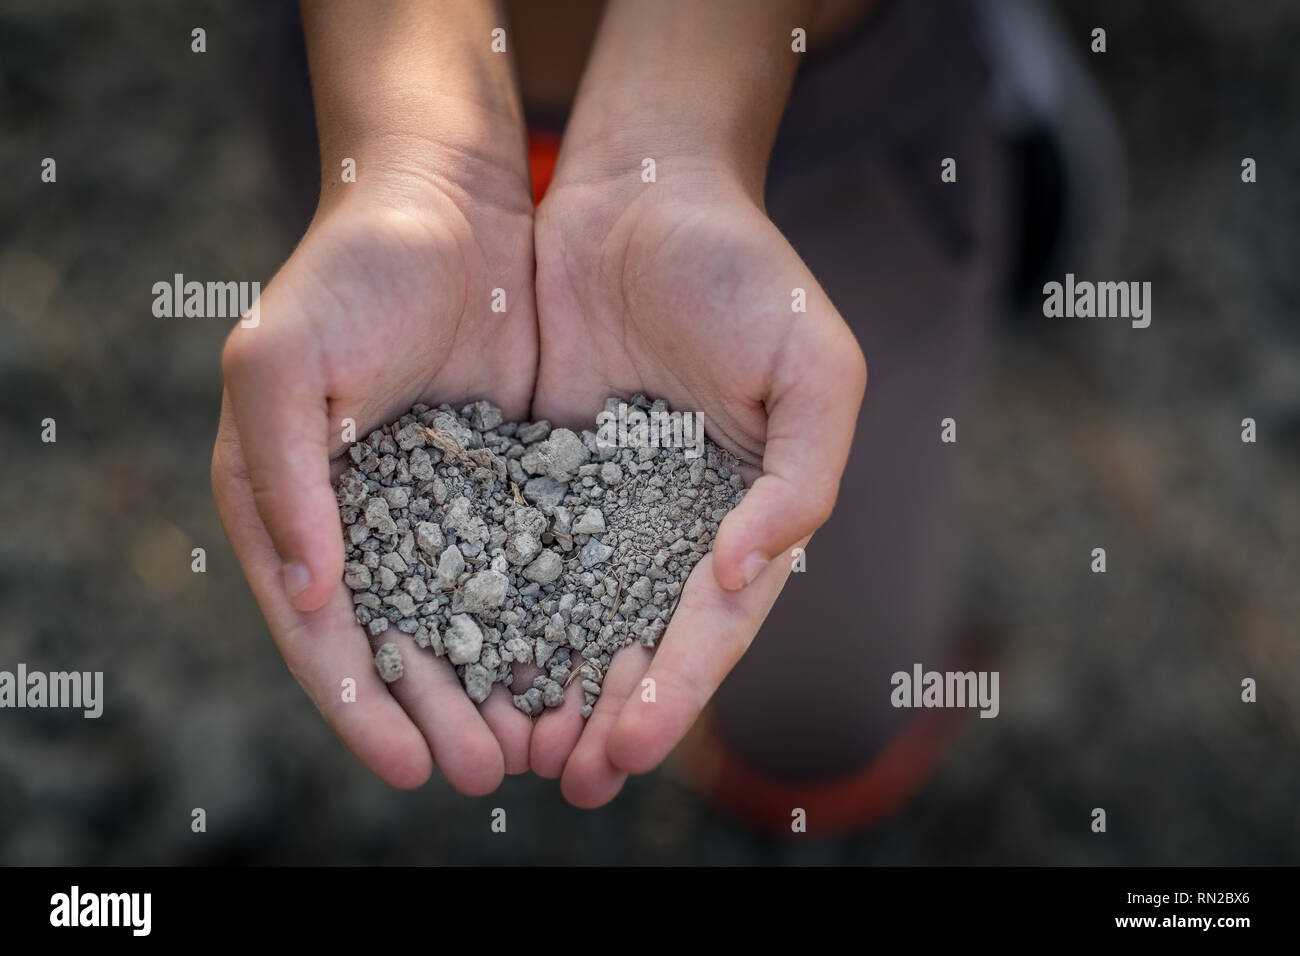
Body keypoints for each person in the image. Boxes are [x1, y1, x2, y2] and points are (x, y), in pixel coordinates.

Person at [215, 0, 1106, 827]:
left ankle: (811, 786)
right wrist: (413, 165)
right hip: (369, 93)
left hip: (821, 97)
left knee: (833, 702)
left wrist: (679, 146)